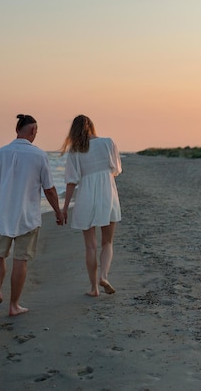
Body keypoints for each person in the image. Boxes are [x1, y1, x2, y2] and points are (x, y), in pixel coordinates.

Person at [0, 114, 64, 317]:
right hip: (28, 217)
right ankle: (14, 306)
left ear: (16, 130)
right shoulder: (39, 156)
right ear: (33, 131)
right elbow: (50, 189)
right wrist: (58, 211)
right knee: (21, 259)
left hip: (3, 216)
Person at [60, 114, 122, 297]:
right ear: (92, 126)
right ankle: (104, 276)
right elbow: (116, 170)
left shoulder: (74, 151)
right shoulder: (108, 143)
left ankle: (94, 288)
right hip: (107, 194)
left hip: (85, 196)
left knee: (90, 246)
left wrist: (64, 208)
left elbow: (71, 181)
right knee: (107, 241)